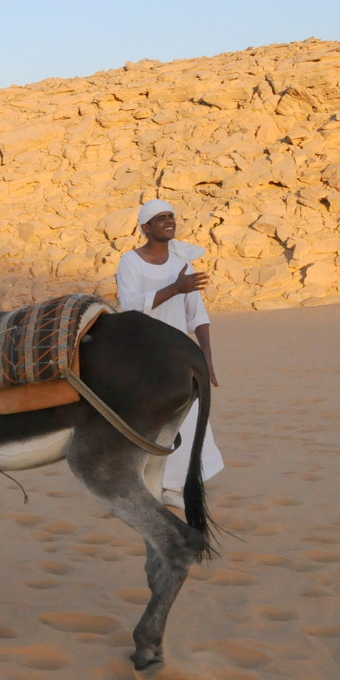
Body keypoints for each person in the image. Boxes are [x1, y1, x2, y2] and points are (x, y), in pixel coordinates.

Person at [115, 199, 224, 508]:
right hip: (142, 354)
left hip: (178, 356)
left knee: (185, 421)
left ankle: (171, 486)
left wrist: (207, 358)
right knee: (142, 420)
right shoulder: (130, 262)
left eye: (171, 216)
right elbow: (131, 305)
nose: (169, 221)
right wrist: (176, 288)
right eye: (160, 217)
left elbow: (197, 314)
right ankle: (135, 482)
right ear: (146, 227)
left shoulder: (182, 265)